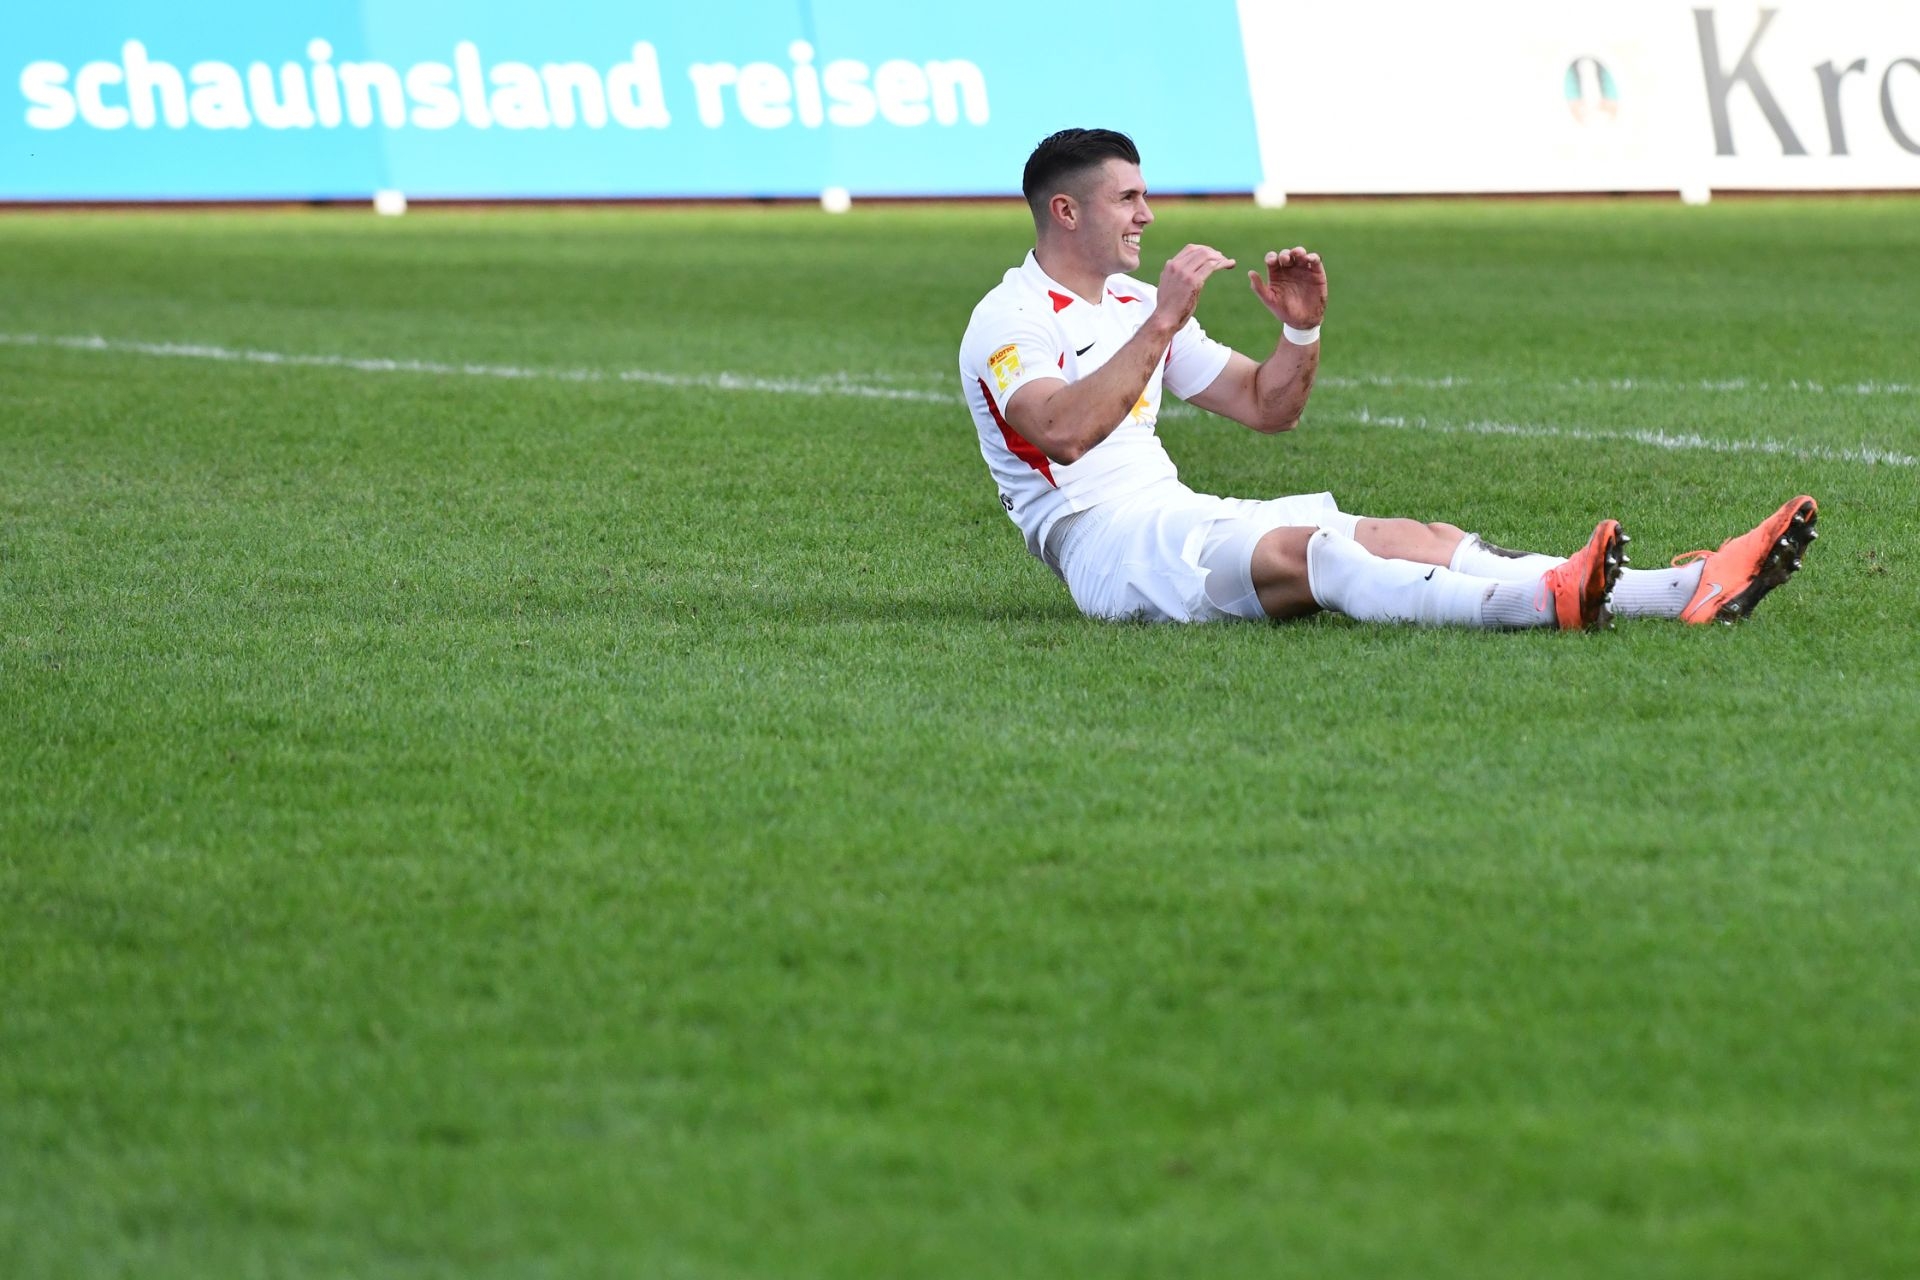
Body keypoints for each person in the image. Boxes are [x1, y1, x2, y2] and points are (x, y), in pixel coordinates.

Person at [957, 127, 1817, 629]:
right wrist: (1161, 324)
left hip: (1177, 510)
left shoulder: (1135, 301)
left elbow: (1266, 406)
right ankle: (1540, 604)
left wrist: (1300, 328)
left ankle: (1684, 590)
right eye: (1127, 199)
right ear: (1066, 210)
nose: (1147, 215)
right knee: (1315, 555)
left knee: (1409, 534)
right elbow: (1059, 433)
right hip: (1104, 545)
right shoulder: (1011, 318)